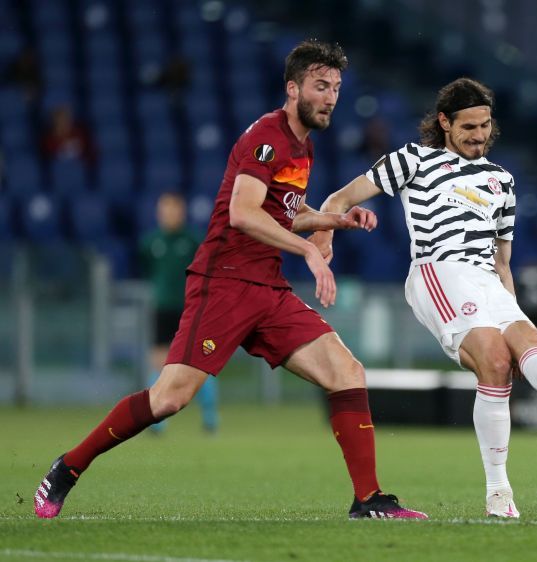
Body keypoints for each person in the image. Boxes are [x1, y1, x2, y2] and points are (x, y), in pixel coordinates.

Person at [33, 40, 426, 520]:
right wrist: (308, 249)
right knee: (170, 397)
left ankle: (368, 500)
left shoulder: (302, 147)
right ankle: (69, 466)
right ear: (293, 87)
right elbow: (242, 213)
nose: (330, 97)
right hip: (224, 283)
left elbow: (281, 211)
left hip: (268, 287)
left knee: (347, 372)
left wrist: (330, 221)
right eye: (321, 86)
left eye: (337, 88)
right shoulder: (269, 135)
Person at [310, 77, 537, 519]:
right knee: (494, 360)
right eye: (469, 126)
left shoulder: (502, 181)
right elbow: (341, 196)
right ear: (444, 122)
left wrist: (513, 311)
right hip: (438, 271)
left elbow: (502, 260)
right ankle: (499, 491)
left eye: (485, 125)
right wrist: (324, 231)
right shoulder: (414, 160)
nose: (480, 135)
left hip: (488, 280)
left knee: (528, 349)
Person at [138, 192, 218, 434]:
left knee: (200, 360)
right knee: (158, 362)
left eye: (173, 209)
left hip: (190, 307)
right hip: (162, 308)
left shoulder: (193, 240)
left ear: (182, 212)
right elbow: (147, 268)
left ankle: (210, 416)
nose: (169, 215)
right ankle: (156, 421)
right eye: (164, 210)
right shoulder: (151, 242)